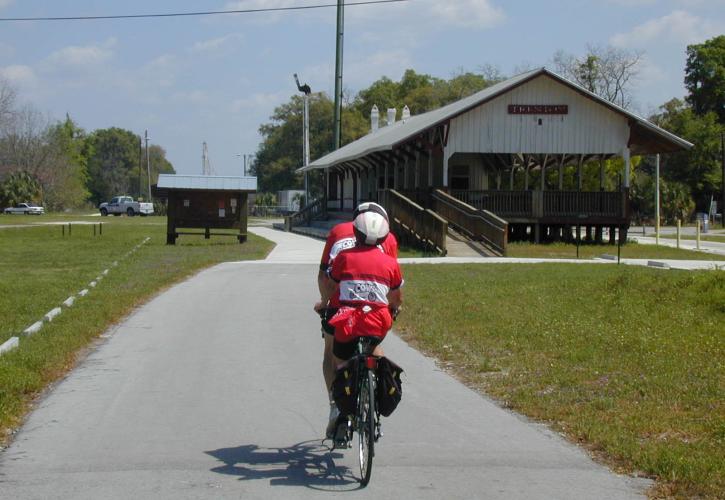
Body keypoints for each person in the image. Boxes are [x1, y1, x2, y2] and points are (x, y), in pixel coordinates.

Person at [316, 206, 403, 437]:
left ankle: (338, 409)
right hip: (377, 316)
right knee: (374, 344)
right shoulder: (390, 246)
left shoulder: (338, 236)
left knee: (333, 356)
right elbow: (393, 288)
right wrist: (393, 307)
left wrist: (324, 303)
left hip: (344, 313)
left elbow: (325, 277)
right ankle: (381, 380)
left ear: (355, 227)